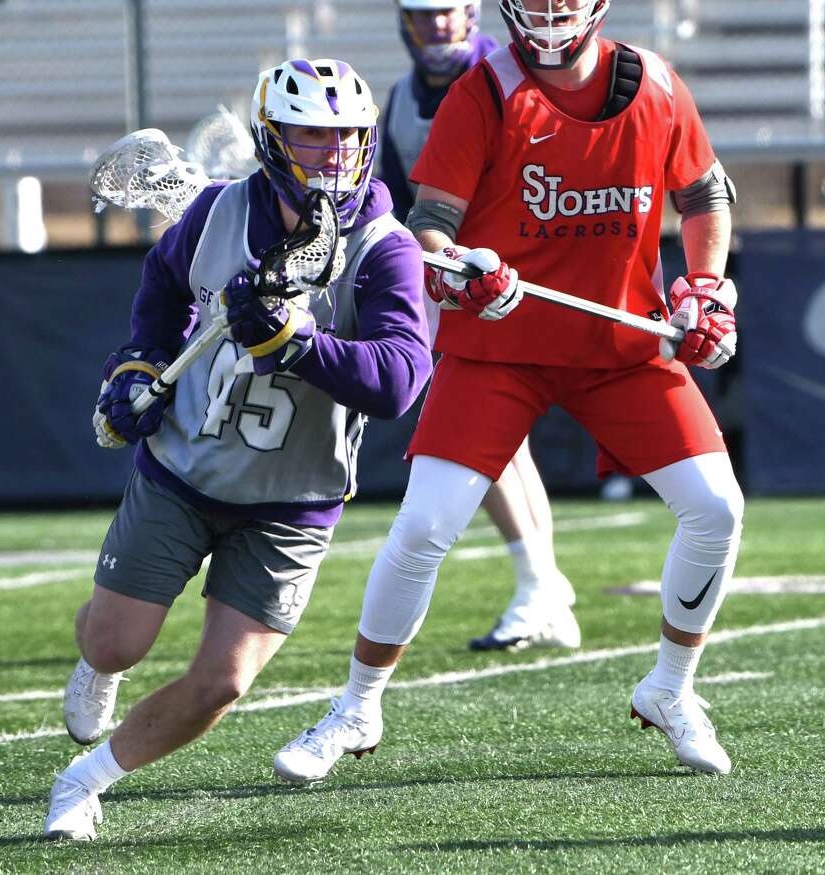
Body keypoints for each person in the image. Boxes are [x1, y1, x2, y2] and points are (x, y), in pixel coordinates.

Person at [273, 0, 743, 785]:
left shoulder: (657, 84)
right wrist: (460, 266)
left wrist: (704, 287)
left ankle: (670, 688)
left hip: (620, 345)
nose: (551, 12)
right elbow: (430, 224)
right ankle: (356, 705)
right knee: (423, 524)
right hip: (498, 348)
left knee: (716, 508)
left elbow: (702, 193)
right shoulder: (484, 91)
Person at [42, 57, 432, 841]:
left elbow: (399, 380)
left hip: (292, 499)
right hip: (187, 467)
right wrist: (137, 367)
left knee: (220, 682)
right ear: (271, 137)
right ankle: (98, 667)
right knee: (116, 639)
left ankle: (83, 781)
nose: (334, 153)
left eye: (348, 137)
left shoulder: (384, 248)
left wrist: (299, 342)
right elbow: (160, 298)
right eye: (311, 136)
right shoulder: (216, 212)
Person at [381, 0, 579, 651]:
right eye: (421, 14)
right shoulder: (399, 98)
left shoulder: (507, 78)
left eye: (445, 12)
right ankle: (543, 587)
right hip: (445, 287)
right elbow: (389, 204)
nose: (435, 25)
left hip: (507, 282)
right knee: (501, 444)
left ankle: (539, 586)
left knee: (476, 435)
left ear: (470, 14)